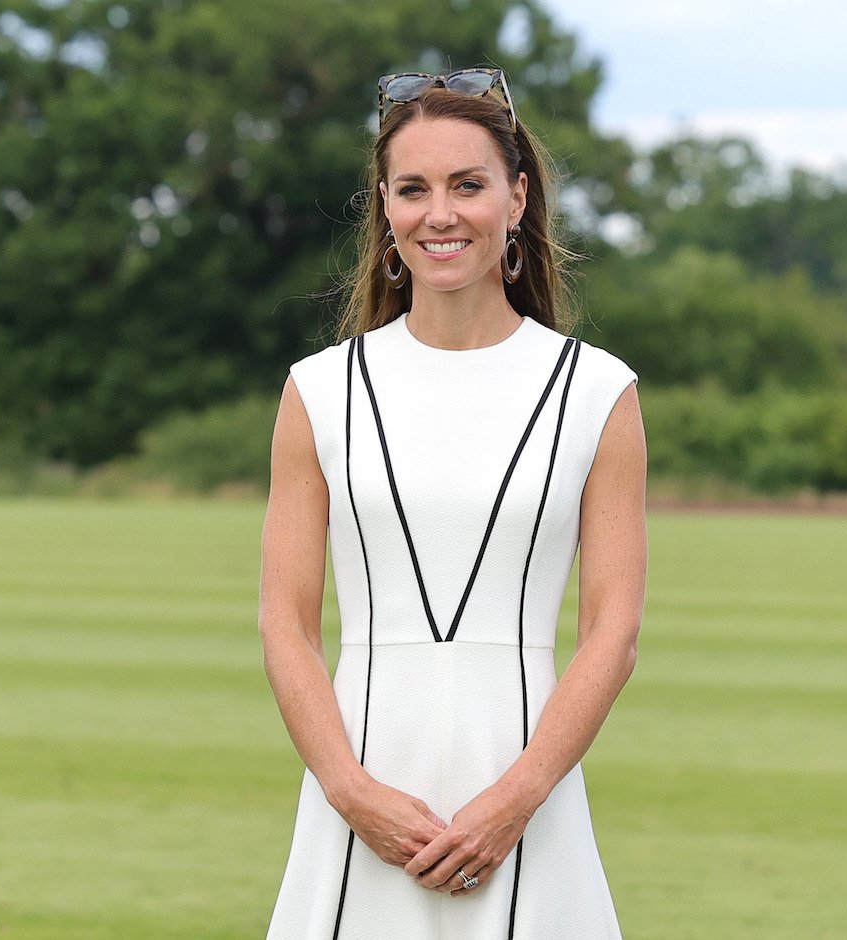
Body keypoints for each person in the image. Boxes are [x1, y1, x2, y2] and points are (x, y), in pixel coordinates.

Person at [258, 67, 647, 939]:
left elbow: (613, 633)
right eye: (413, 189)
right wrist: (349, 790)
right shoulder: (319, 392)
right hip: (356, 795)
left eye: (467, 186)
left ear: (516, 198)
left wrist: (514, 800)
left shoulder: (597, 393)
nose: (441, 214)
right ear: (385, 211)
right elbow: (285, 621)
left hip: (526, 798)